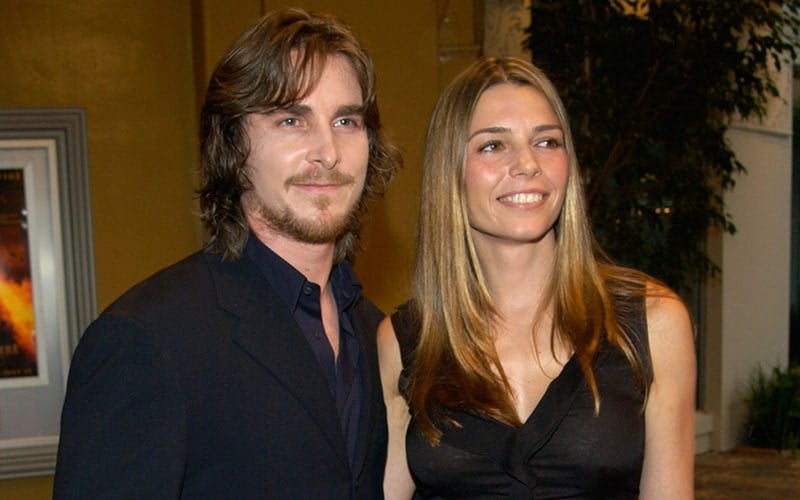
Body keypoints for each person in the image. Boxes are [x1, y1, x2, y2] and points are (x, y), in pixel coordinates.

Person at [54, 7, 401, 499]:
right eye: (290, 119)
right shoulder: (147, 339)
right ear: (233, 145)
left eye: (346, 120)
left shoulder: (377, 334)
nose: (327, 151)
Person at [379, 57, 696, 499]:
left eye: (547, 142)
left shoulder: (651, 323)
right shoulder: (408, 341)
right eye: (493, 146)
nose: (527, 164)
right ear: (449, 173)